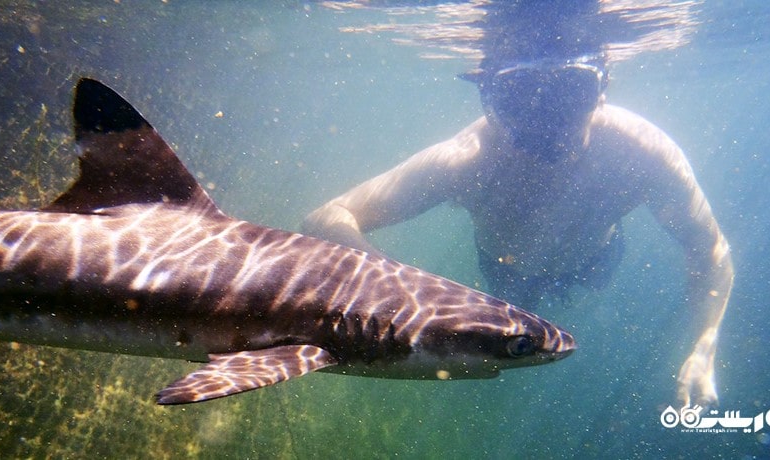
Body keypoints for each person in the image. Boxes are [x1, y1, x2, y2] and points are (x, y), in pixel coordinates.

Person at [303, 1, 733, 408]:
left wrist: (705, 346)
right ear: (488, 99)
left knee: (554, 323)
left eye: (570, 90)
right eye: (519, 95)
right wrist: (403, 291)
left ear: (603, 87)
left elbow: (710, 248)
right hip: (506, 269)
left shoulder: (642, 152)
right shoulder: (466, 160)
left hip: (595, 261)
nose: (548, 117)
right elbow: (327, 217)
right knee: (511, 338)